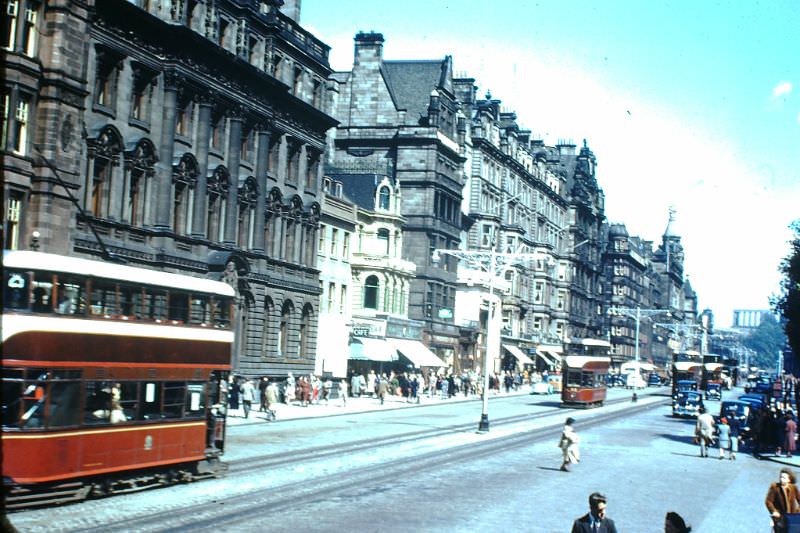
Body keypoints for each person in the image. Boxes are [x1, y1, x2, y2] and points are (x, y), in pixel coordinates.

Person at [765, 467, 800, 533]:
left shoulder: (794, 488)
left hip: (792, 517)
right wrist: (774, 511)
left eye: (784, 478)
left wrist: (798, 511)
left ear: (789, 479)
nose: (781, 479)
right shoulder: (775, 487)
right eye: (781, 477)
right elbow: (768, 501)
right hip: (780, 517)